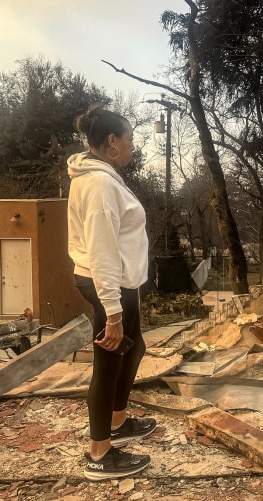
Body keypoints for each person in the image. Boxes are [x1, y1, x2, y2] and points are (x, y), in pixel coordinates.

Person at [68, 105, 157, 481]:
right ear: (112, 142)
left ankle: (118, 424)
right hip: (109, 284)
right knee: (108, 363)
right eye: (130, 139)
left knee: (133, 349)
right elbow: (102, 248)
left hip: (122, 283)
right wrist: (114, 311)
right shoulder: (100, 184)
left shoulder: (102, 176)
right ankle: (99, 454)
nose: (133, 147)